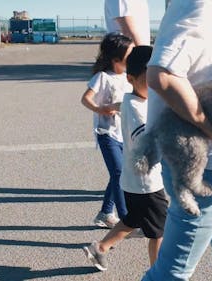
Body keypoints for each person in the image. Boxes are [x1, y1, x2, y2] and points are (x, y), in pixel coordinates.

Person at [141, 0, 212, 280]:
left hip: (209, 162)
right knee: (172, 272)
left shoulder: (202, 6)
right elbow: (162, 74)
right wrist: (208, 126)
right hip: (199, 163)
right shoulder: (198, 6)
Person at [83, 45, 168, 271]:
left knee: (134, 219)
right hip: (147, 182)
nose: (155, 86)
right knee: (159, 231)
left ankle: (100, 248)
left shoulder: (135, 100)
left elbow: (125, 105)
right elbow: (143, 139)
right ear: (130, 78)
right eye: (148, 80)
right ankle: (158, 274)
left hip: (133, 181)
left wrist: (115, 106)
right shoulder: (137, 108)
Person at [81, 33, 134, 228]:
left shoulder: (129, 77)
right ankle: (127, 221)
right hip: (107, 134)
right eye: (130, 54)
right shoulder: (102, 77)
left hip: (124, 134)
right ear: (115, 59)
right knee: (120, 173)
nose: (133, 57)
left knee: (118, 173)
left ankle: (105, 213)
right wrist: (100, 109)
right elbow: (85, 98)